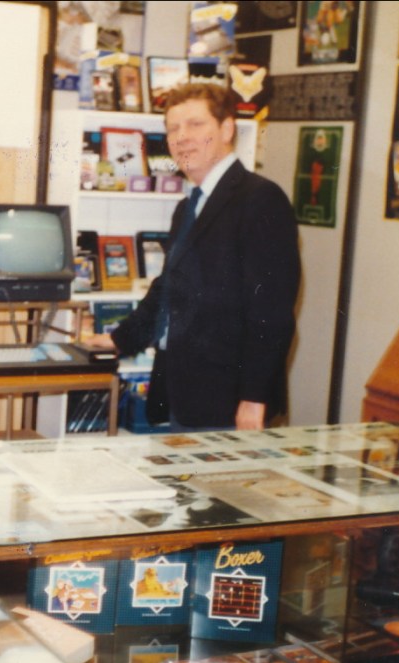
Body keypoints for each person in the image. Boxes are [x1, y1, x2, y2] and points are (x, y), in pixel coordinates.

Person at [86, 83, 300, 431]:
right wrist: (120, 339)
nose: (182, 137)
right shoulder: (189, 205)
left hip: (228, 402)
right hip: (182, 390)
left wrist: (253, 399)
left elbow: (271, 313)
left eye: (195, 124)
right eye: (173, 128)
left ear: (227, 129)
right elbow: (169, 286)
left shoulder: (261, 200)